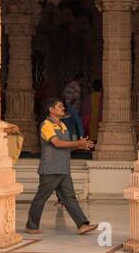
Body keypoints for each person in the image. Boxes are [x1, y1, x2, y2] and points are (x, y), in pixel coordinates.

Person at [24, 98, 97, 236]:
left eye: (63, 106)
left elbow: (66, 147)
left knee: (69, 197)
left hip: (63, 168)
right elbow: (57, 143)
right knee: (41, 198)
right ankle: (31, 225)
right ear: (51, 110)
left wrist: (81, 145)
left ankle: (82, 225)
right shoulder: (46, 125)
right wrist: (77, 144)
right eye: (60, 106)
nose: (63, 108)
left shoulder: (63, 125)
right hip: (50, 168)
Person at [62, 73, 85, 140]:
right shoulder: (77, 86)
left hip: (68, 107)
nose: (82, 82)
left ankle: (72, 141)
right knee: (79, 123)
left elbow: (63, 96)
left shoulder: (68, 85)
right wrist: (70, 106)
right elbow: (75, 98)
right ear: (80, 79)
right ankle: (82, 140)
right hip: (73, 108)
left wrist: (65, 106)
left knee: (70, 125)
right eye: (82, 80)